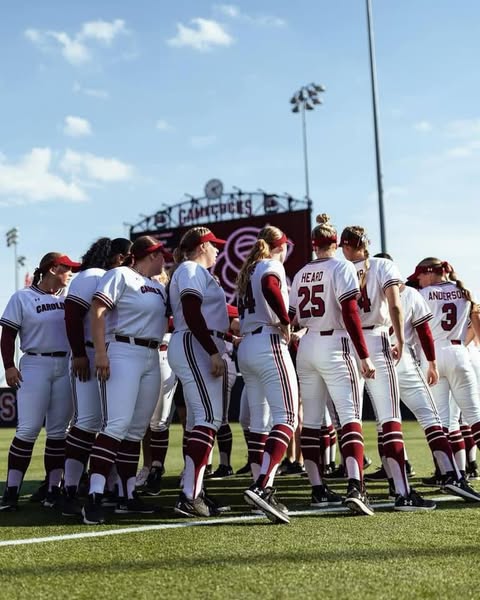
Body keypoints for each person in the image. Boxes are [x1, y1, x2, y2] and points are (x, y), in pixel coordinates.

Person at [340, 225, 435, 511]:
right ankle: (402, 492)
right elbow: (395, 306)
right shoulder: (382, 265)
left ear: (345, 245)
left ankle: (356, 487)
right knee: (390, 418)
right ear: (365, 243)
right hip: (377, 338)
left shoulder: (338, 268)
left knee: (349, 419)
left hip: (345, 343)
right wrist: (401, 339)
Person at [290, 214, 375, 515]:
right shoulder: (342, 266)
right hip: (335, 341)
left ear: (314, 245)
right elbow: (350, 312)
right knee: (350, 415)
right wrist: (364, 355)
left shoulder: (300, 272)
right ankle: (356, 486)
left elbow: (291, 318)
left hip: (307, 343)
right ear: (336, 243)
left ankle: (317, 488)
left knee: (311, 421)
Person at [82, 236, 169, 525]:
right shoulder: (120, 274)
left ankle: (127, 495)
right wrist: (101, 353)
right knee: (116, 425)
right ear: (150, 255)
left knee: (135, 430)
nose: (164, 260)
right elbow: (97, 310)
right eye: (160, 255)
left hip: (151, 354)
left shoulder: (158, 287)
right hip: (122, 350)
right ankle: (94, 495)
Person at [0, 252, 81, 511]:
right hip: (35, 363)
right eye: (67, 269)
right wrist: (9, 366)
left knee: (58, 432)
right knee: (28, 429)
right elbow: (7, 335)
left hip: (65, 363)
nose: (71, 273)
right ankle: (11, 492)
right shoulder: (22, 296)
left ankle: (52, 489)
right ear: (53, 269)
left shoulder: (68, 298)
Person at [62, 237, 132, 516]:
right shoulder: (90, 276)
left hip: (111, 353)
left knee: (110, 422)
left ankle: (107, 487)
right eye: (126, 255)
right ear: (116, 256)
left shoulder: (114, 276)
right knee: (87, 421)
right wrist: (79, 353)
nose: (130, 260)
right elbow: (71, 316)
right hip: (91, 354)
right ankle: (68, 489)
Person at [236, 225, 298, 524]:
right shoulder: (271, 265)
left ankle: (259, 484)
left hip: (247, 345)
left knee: (260, 422)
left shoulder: (250, 269)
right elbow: (272, 286)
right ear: (280, 246)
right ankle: (262, 486)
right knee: (286, 418)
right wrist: (286, 321)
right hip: (268, 342)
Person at [167, 227, 230, 518]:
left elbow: (207, 315)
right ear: (202, 245)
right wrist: (213, 350)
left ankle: (195, 489)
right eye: (213, 244)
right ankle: (189, 496)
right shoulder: (191, 268)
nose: (218, 249)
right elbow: (191, 312)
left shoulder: (196, 272)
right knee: (208, 418)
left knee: (198, 421)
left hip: (198, 341)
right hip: (195, 343)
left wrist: (227, 339)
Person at [407, 257, 480, 470]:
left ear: (430, 272)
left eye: (420, 275)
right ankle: (459, 471)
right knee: (474, 417)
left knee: (442, 422)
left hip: (434, 357)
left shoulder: (422, 294)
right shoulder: (464, 293)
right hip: (460, 352)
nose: (418, 280)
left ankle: (450, 473)